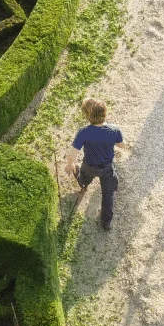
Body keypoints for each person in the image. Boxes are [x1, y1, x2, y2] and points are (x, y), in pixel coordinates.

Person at [64, 98, 125, 230]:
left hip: (89, 166)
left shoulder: (83, 132)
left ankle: (82, 182)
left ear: (88, 116)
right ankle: (106, 222)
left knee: (84, 178)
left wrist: (70, 164)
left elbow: (71, 154)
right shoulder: (114, 130)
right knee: (108, 195)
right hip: (107, 168)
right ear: (105, 113)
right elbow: (122, 145)